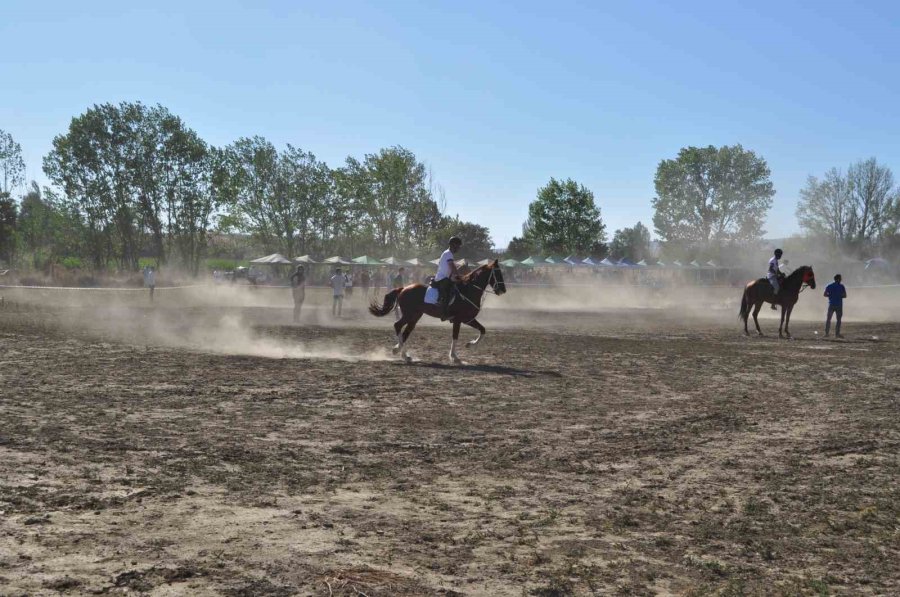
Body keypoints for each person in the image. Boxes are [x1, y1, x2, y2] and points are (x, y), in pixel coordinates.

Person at [434, 236, 462, 321]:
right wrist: (458, 275)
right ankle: (444, 315)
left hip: (445, 277)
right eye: (458, 246)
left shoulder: (448, 254)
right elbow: (451, 266)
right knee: (447, 293)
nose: (458, 248)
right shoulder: (448, 253)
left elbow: (452, 266)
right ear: (453, 245)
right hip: (442, 278)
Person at [824, 274, 847, 338]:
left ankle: (827, 333)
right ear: (838, 279)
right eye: (840, 278)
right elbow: (845, 296)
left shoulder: (829, 286)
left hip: (831, 304)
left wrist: (831, 296)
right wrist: (839, 296)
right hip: (839, 305)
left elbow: (825, 294)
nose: (841, 280)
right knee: (838, 320)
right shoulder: (842, 286)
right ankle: (837, 334)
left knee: (828, 319)